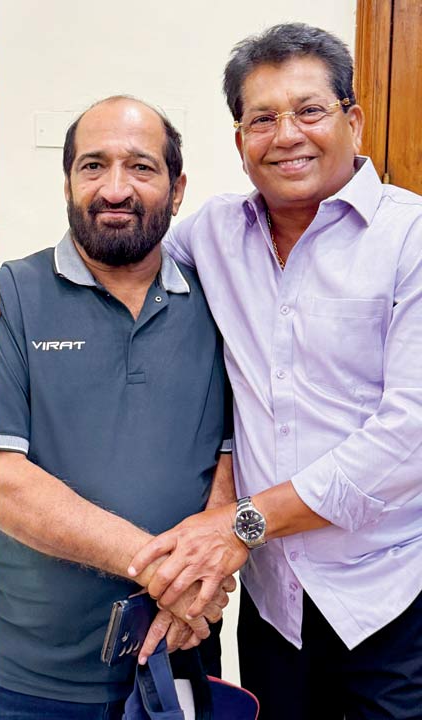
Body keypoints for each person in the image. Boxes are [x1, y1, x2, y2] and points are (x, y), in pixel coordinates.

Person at [119, 23, 422, 719]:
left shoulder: (409, 238)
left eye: (309, 111)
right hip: (272, 602)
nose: (286, 135)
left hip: (389, 596)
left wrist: (241, 524)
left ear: (352, 118)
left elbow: (408, 436)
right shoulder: (212, 235)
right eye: (262, 118)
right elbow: (124, 261)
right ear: (239, 141)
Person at [0, 96, 235, 717]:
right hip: (35, 673)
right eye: (93, 166)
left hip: (179, 651)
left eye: (141, 167)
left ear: (178, 189)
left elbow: (237, 448)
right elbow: (6, 482)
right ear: (68, 180)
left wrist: (196, 579)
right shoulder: (12, 294)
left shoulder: (220, 299)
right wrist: (168, 577)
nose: (114, 189)